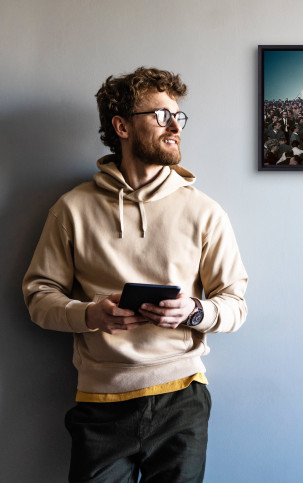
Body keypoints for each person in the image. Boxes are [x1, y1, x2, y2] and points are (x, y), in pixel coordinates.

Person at [22, 67, 248, 482]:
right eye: (161, 115)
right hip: (99, 402)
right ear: (122, 126)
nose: (174, 126)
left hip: (182, 399)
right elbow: (38, 296)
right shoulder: (71, 209)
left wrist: (193, 312)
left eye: (178, 116)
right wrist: (90, 315)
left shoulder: (205, 212)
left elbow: (235, 304)